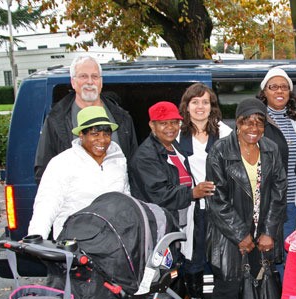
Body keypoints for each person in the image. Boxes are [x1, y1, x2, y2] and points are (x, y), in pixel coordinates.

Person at [205, 98, 287, 299]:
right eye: (247, 121)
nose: (254, 127)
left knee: (255, 280)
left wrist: (269, 231)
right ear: (237, 123)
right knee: (227, 288)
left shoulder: (271, 149)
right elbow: (217, 199)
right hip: (229, 233)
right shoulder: (220, 151)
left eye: (259, 122)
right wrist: (240, 234)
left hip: (261, 230)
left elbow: (278, 194)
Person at [176, 83, 232, 299]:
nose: (200, 107)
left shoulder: (224, 132)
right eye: (195, 102)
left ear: (212, 106)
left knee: (223, 260)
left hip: (221, 208)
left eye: (205, 102)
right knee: (194, 260)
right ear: (187, 106)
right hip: (193, 209)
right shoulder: (176, 132)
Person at [28, 106, 130, 239]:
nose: (102, 140)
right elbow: (46, 204)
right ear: (81, 134)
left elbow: (126, 198)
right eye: (95, 134)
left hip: (113, 242)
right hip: (75, 242)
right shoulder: (62, 163)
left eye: (107, 134)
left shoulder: (118, 160)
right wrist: (36, 237)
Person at [34, 55, 137, 183]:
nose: (90, 82)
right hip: (76, 201)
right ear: (73, 82)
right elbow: (44, 170)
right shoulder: (56, 120)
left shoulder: (122, 118)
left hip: (116, 199)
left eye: (94, 76)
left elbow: (134, 167)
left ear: (101, 82)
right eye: (83, 76)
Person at [128, 101, 215, 240]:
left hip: (181, 222)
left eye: (174, 122)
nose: (170, 128)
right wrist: (192, 193)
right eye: (163, 123)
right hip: (159, 226)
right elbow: (159, 194)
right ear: (152, 125)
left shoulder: (174, 145)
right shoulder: (145, 156)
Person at [258, 67, 296, 250]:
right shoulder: (259, 122)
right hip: (275, 202)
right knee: (282, 253)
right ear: (265, 92)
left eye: (284, 87)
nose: (279, 91)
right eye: (273, 87)